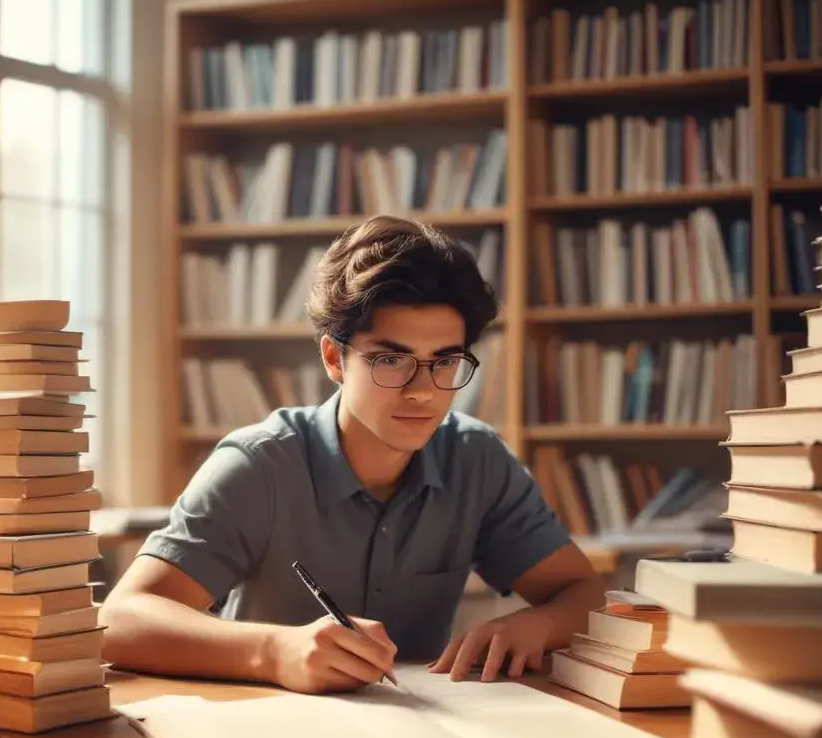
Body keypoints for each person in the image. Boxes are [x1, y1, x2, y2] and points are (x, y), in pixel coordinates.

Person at [100, 215, 604, 695]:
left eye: (444, 362)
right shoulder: (260, 465)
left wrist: (537, 623)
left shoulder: (477, 459)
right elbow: (119, 618)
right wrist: (274, 651)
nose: (422, 392)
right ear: (333, 358)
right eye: (390, 360)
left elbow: (586, 594)